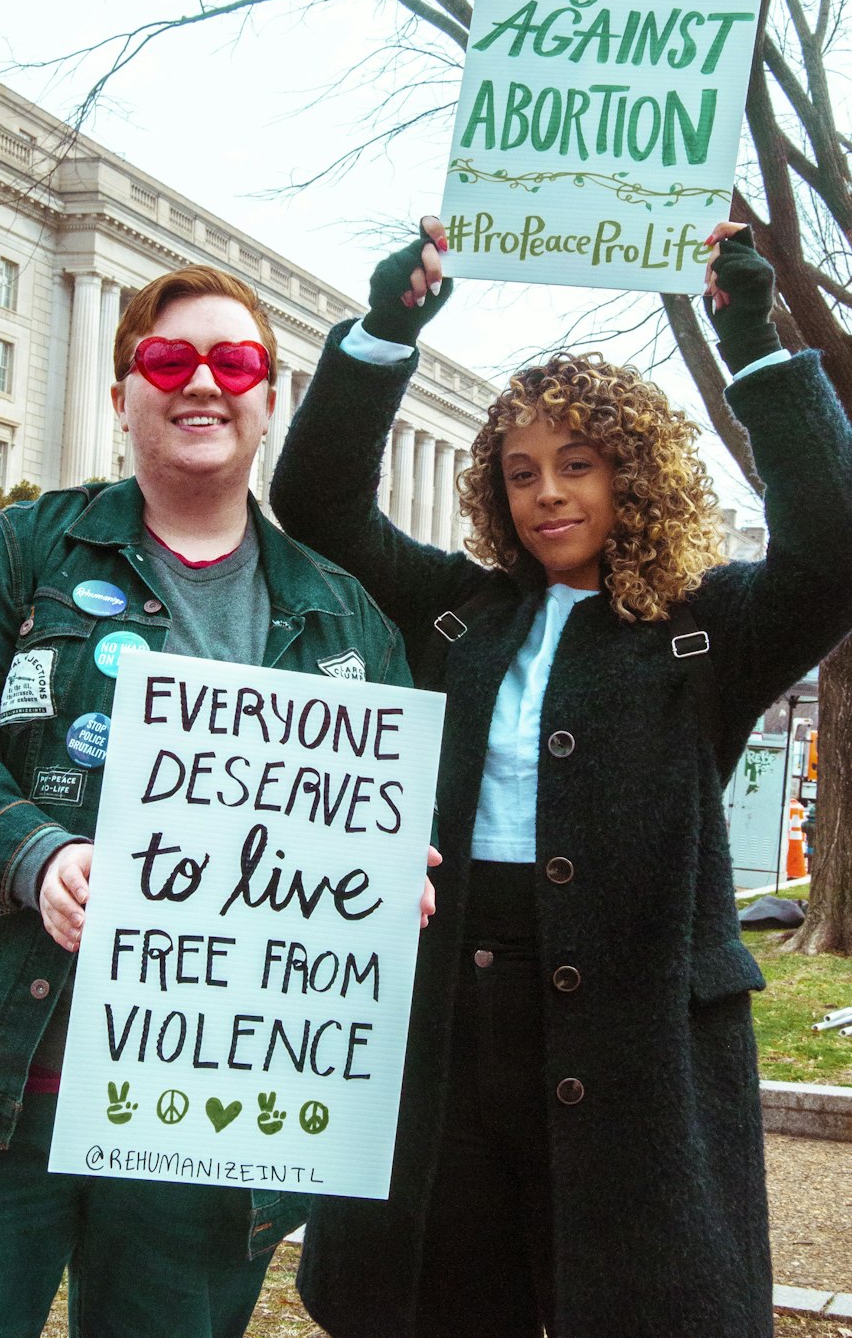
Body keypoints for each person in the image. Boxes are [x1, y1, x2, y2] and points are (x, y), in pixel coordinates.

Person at [270, 219, 852, 1338]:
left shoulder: (703, 631)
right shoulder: (457, 611)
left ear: (629, 475)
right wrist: (385, 336)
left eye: (576, 466)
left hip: (636, 1031)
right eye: (522, 471)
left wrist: (757, 348)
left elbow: (830, 542)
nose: (546, 495)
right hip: (451, 1007)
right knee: (442, 1299)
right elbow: (323, 509)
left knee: (632, 1302)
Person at [0, 263, 420, 1338]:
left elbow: (385, 820)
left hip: (205, 1128)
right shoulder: (23, 549)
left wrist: (392, 880)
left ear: (266, 400)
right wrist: (33, 852)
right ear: (122, 395)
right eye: (167, 359)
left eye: (233, 362)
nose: (201, 382)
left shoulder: (342, 615)